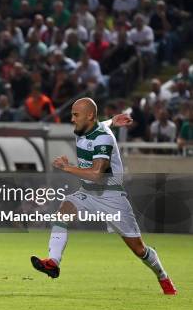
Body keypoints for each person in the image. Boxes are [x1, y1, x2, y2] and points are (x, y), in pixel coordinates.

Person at [31, 98, 177, 295]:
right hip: (87, 194)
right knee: (63, 211)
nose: (72, 119)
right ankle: (53, 263)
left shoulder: (103, 138)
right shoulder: (86, 128)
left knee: (139, 250)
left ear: (89, 115)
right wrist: (113, 120)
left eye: (76, 115)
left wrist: (67, 167)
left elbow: (97, 174)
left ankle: (163, 276)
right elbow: (101, 124)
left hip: (111, 198)